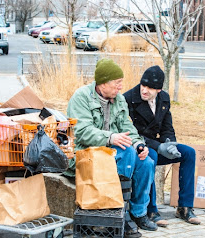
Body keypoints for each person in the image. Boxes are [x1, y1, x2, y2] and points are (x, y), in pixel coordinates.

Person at [67, 58, 157, 236]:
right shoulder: (81, 97)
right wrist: (110, 137)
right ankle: (118, 216)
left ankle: (138, 213)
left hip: (113, 151)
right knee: (126, 153)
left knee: (146, 162)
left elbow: (127, 128)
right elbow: (82, 131)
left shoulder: (119, 99)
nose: (120, 87)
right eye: (117, 83)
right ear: (103, 83)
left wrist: (139, 144)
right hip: (87, 153)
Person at [123, 66, 201, 227]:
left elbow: (167, 127)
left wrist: (170, 143)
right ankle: (151, 210)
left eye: (150, 88)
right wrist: (159, 147)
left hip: (159, 144)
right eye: (143, 85)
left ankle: (185, 207)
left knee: (189, 153)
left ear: (158, 90)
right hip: (140, 146)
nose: (144, 90)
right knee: (151, 156)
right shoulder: (128, 98)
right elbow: (132, 132)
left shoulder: (164, 98)